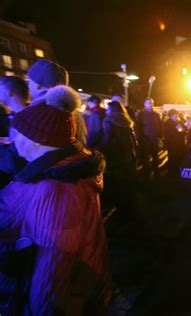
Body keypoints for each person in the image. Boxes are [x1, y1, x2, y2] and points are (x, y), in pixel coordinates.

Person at [0, 85, 110, 314]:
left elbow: (50, 278)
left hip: (58, 300)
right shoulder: (54, 170)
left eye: (18, 137)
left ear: (38, 142)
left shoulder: (57, 192)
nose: (14, 144)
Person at [27, 59, 87, 146]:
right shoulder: (73, 112)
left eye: (29, 81)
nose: (28, 85)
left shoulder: (40, 112)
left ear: (38, 84)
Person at [99, 101, 137, 215]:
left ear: (112, 110)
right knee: (126, 182)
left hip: (115, 155)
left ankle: (119, 209)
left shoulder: (108, 120)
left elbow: (107, 140)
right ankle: (129, 206)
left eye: (108, 109)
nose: (106, 111)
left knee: (116, 182)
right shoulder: (127, 121)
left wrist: (97, 150)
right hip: (128, 155)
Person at [135, 98, 163, 180]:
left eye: (152, 103)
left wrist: (160, 137)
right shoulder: (141, 114)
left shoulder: (156, 115)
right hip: (145, 140)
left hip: (154, 140)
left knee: (155, 157)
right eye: (148, 103)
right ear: (145, 104)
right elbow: (138, 127)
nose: (150, 104)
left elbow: (160, 126)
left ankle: (156, 173)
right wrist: (140, 138)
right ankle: (146, 175)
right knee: (145, 159)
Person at [163, 109, 187, 178]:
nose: (176, 116)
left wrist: (183, 129)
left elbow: (184, 130)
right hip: (173, 144)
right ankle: (172, 173)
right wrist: (177, 130)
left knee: (180, 158)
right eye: (174, 115)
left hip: (180, 144)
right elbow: (169, 134)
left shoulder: (178, 121)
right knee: (173, 158)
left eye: (176, 114)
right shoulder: (168, 123)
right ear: (171, 116)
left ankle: (179, 171)